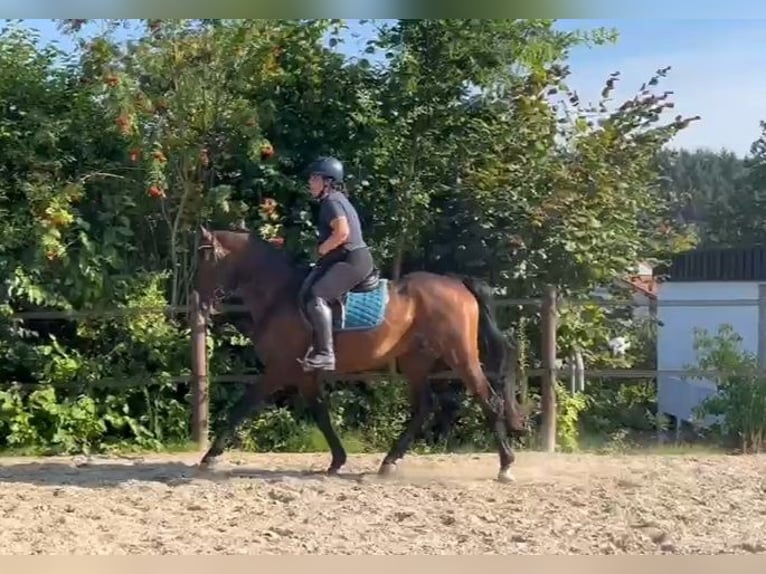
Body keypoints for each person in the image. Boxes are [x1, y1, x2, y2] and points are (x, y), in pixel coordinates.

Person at [299, 156, 374, 371]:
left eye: (315, 178)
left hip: (352, 260)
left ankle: (325, 354)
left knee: (317, 296)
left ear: (328, 182)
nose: (310, 182)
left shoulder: (331, 201)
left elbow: (342, 233)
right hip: (348, 258)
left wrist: (320, 250)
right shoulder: (336, 199)